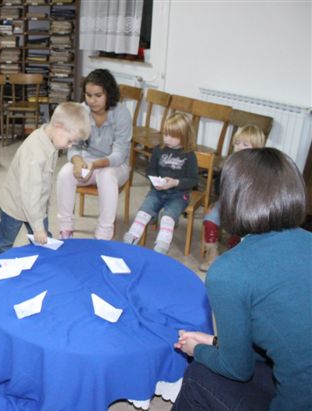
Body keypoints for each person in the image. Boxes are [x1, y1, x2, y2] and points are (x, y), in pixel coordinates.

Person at [165, 148, 312, 411]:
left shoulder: (230, 271)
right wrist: (216, 342)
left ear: (231, 200)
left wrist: (197, 350)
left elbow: (236, 369)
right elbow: (286, 333)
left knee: (200, 375)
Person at [0, 102, 91, 265]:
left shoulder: (49, 137)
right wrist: (38, 228)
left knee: (43, 241)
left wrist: (39, 225)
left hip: (36, 206)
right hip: (15, 207)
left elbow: (39, 187)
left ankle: (44, 270)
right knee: (3, 244)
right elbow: (29, 195)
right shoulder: (34, 155)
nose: (69, 146)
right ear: (59, 127)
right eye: (70, 141)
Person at [56, 69, 132, 240]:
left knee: (106, 176)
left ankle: (103, 234)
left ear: (109, 94)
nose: (92, 100)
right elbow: (74, 145)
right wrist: (77, 161)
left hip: (115, 165)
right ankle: (65, 229)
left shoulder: (122, 113)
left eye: (98, 95)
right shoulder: (81, 111)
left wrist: (95, 165)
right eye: (88, 95)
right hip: (88, 161)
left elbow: (119, 155)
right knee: (65, 173)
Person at [122, 112, 198, 254]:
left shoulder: (189, 155)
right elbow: (150, 170)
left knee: (168, 218)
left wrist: (175, 182)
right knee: (144, 211)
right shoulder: (159, 150)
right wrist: (155, 180)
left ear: (184, 136)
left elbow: (193, 180)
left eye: (172, 136)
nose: (167, 138)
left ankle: (161, 248)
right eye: (165, 134)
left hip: (179, 194)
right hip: (158, 191)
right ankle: (130, 240)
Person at [199, 125, 266, 271]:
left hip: (245, 207)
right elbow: (218, 186)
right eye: (237, 143)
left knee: (239, 229)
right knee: (210, 220)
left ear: (257, 148)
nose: (239, 147)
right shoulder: (228, 163)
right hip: (225, 202)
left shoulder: (259, 170)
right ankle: (211, 257)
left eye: (245, 144)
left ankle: (232, 258)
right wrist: (218, 200)